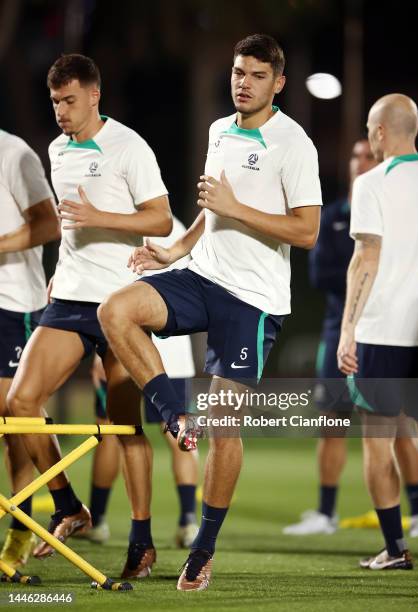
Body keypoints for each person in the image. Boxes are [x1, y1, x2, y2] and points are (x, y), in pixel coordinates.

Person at [98, 34, 322, 591]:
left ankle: (203, 548)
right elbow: (209, 212)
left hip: (253, 301)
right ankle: (175, 413)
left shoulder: (293, 143)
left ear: (279, 83)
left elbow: (309, 230)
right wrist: (176, 249)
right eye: (237, 72)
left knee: (225, 426)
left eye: (255, 75)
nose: (242, 82)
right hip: (203, 277)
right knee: (116, 309)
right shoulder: (219, 131)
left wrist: (236, 208)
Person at [7, 53, 172, 579]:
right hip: (72, 297)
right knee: (21, 401)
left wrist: (102, 218)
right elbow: (69, 225)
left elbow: (162, 218)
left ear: (94, 95)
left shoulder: (129, 146)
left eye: (70, 101)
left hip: (122, 303)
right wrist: (60, 268)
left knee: (125, 427)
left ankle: (141, 544)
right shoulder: (56, 149)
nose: (61, 111)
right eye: (55, 101)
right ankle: (67, 506)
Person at [283, 140, 418, 538]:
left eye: (370, 154)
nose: (362, 161)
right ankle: (326, 512)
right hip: (342, 329)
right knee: (334, 422)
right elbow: (321, 274)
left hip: (390, 331)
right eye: (356, 156)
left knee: (402, 427)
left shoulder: (394, 204)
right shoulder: (333, 216)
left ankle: (416, 517)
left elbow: (375, 261)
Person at [337, 93, 418, 570]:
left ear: (378, 132)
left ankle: (396, 549)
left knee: (377, 442)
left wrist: (346, 329)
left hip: (384, 331)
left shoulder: (372, 182)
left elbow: (366, 258)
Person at [81, 217, 199, 548]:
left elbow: (113, 295)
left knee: (112, 430)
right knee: (177, 431)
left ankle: (99, 521)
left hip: (128, 351)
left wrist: (98, 353)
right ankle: (188, 522)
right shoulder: (180, 228)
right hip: (175, 352)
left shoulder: (120, 226)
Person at [0, 130, 60, 568]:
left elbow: (48, 224)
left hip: (12, 302)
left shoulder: (14, 152)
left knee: (14, 418)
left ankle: (21, 527)